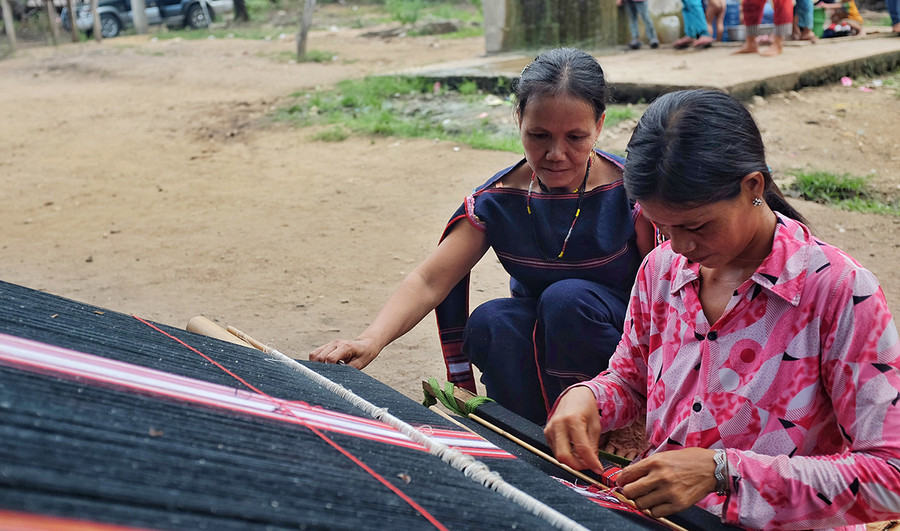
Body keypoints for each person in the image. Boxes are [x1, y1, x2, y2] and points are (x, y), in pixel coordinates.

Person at [543, 89, 900, 529]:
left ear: (753, 187)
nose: (680, 246)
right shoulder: (662, 269)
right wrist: (588, 399)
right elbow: (631, 381)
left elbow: (891, 477)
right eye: (662, 227)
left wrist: (722, 473)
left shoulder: (838, 291)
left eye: (696, 226)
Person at [310, 48, 657, 425]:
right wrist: (370, 340)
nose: (556, 154)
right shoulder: (499, 200)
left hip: (628, 341)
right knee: (492, 322)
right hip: (546, 334)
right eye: (539, 135)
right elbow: (430, 281)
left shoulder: (632, 195)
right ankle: (529, 432)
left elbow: (667, 294)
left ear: (600, 125)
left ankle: (618, 423)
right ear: (519, 120)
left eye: (575, 137)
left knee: (566, 300)